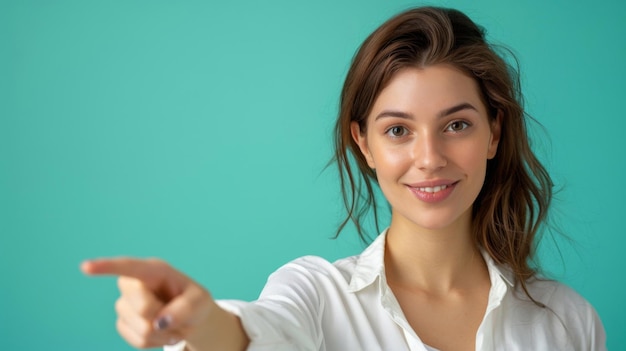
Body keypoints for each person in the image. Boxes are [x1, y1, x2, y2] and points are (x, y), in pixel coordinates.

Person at [81, 6, 607, 351]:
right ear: (364, 143)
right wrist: (199, 324)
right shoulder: (315, 295)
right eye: (398, 130)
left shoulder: (568, 322)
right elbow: (261, 331)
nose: (429, 158)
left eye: (457, 125)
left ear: (494, 134)